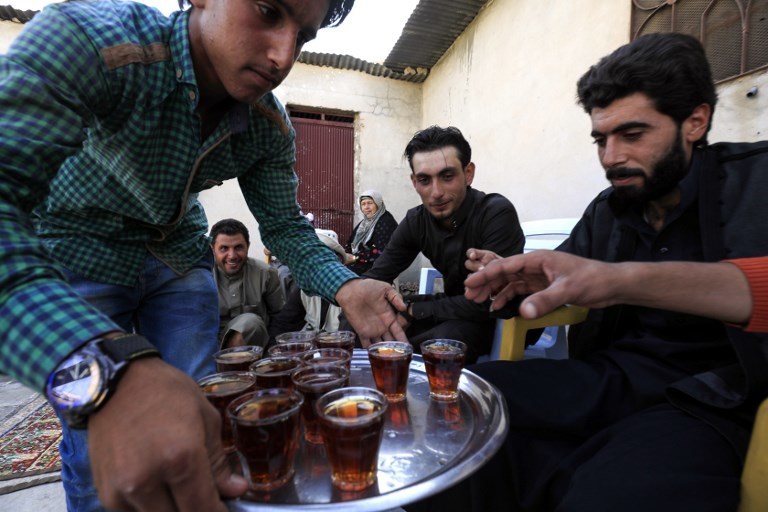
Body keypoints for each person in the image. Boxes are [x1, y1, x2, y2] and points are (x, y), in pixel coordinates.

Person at [0, 0, 409, 510]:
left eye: (303, 36)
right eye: (266, 10)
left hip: (178, 254)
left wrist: (346, 285)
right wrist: (101, 368)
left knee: (198, 411)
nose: (283, 55)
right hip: (79, 249)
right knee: (98, 431)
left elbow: (283, 225)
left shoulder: (268, 125)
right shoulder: (89, 41)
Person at [407, 33, 768, 512]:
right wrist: (514, 281)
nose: (611, 157)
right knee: (454, 404)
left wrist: (619, 279)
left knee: (614, 489)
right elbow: (559, 278)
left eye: (632, 135)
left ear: (695, 121)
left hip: (712, 398)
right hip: (611, 377)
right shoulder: (611, 209)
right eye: (602, 139)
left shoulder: (756, 184)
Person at [362, 126, 525, 362]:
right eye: (424, 180)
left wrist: (415, 308)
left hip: (499, 320)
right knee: (370, 331)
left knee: (442, 345)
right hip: (449, 312)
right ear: (414, 182)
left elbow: (495, 303)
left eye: (447, 176)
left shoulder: (495, 213)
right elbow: (377, 277)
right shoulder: (416, 221)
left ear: (468, 173)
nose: (436, 192)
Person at [211, 219, 285, 348]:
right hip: (210, 344)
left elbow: (279, 317)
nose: (232, 256)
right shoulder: (202, 275)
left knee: (250, 323)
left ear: (248, 246)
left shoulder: (265, 273)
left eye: (238, 247)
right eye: (224, 248)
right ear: (213, 249)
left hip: (252, 349)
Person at [269, 231, 348, 337]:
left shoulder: (351, 292)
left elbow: (349, 337)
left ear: (339, 262)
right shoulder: (303, 290)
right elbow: (282, 326)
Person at [345, 189, 399, 275]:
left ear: (378, 204)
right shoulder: (364, 223)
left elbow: (381, 251)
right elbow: (350, 242)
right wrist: (345, 256)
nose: (366, 207)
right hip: (363, 260)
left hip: (381, 264)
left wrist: (355, 258)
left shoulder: (386, 221)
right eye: (363, 204)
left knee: (346, 275)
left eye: (370, 203)